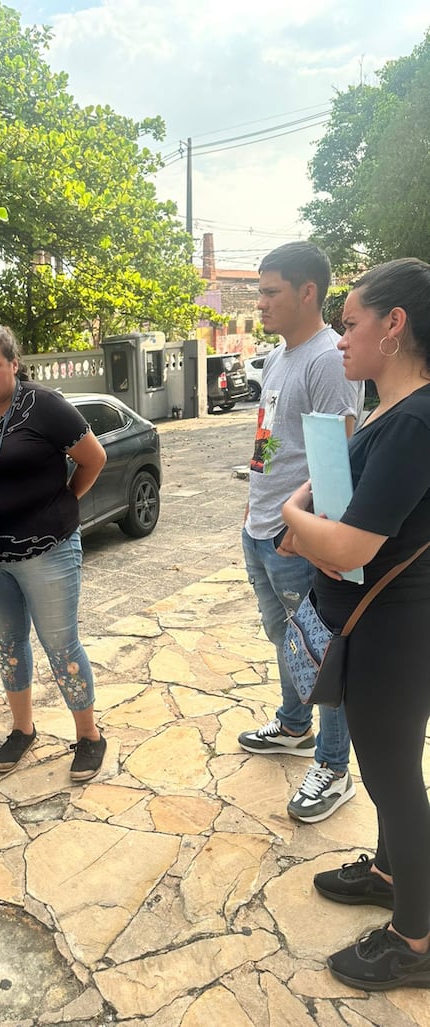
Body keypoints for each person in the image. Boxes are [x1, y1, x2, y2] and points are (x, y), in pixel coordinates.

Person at [282, 258, 430, 991]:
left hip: (393, 634)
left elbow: (350, 547)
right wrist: (317, 516)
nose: (341, 340)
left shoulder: (414, 421)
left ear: (394, 324)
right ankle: (389, 873)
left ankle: (416, 940)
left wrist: (293, 514)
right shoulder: (394, 412)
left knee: (394, 779)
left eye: (351, 324)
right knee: (388, 773)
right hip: (387, 626)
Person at [0, 324, 108, 780]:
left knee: (60, 644)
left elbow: (94, 458)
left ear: (14, 364)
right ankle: (22, 729)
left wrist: (61, 503)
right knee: (7, 643)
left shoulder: (45, 405)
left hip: (47, 551)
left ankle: (89, 735)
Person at [237, 242, 363, 822]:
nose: (260, 303)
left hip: (295, 537)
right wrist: (255, 504)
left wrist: (311, 530)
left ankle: (333, 767)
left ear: (307, 291)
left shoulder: (326, 359)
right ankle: (293, 726)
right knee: (285, 639)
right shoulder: (278, 359)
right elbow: (270, 440)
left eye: (271, 292)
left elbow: (339, 454)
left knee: (320, 652)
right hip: (261, 526)